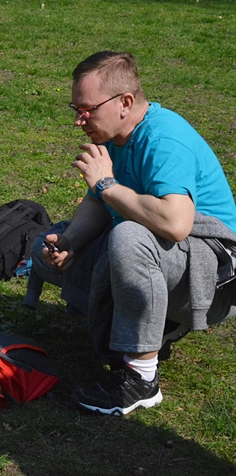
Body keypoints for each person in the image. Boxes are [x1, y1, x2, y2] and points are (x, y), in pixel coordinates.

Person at [26, 51, 236, 416]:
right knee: (44, 250)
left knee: (128, 238)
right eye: (75, 109)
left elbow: (176, 223)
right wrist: (71, 243)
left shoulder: (165, 138)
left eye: (88, 109)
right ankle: (153, 326)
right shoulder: (112, 134)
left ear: (125, 102)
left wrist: (107, 184)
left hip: (213, 279)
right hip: (170, 260)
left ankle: (141, 379)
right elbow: (97, 202)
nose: (79, 120)